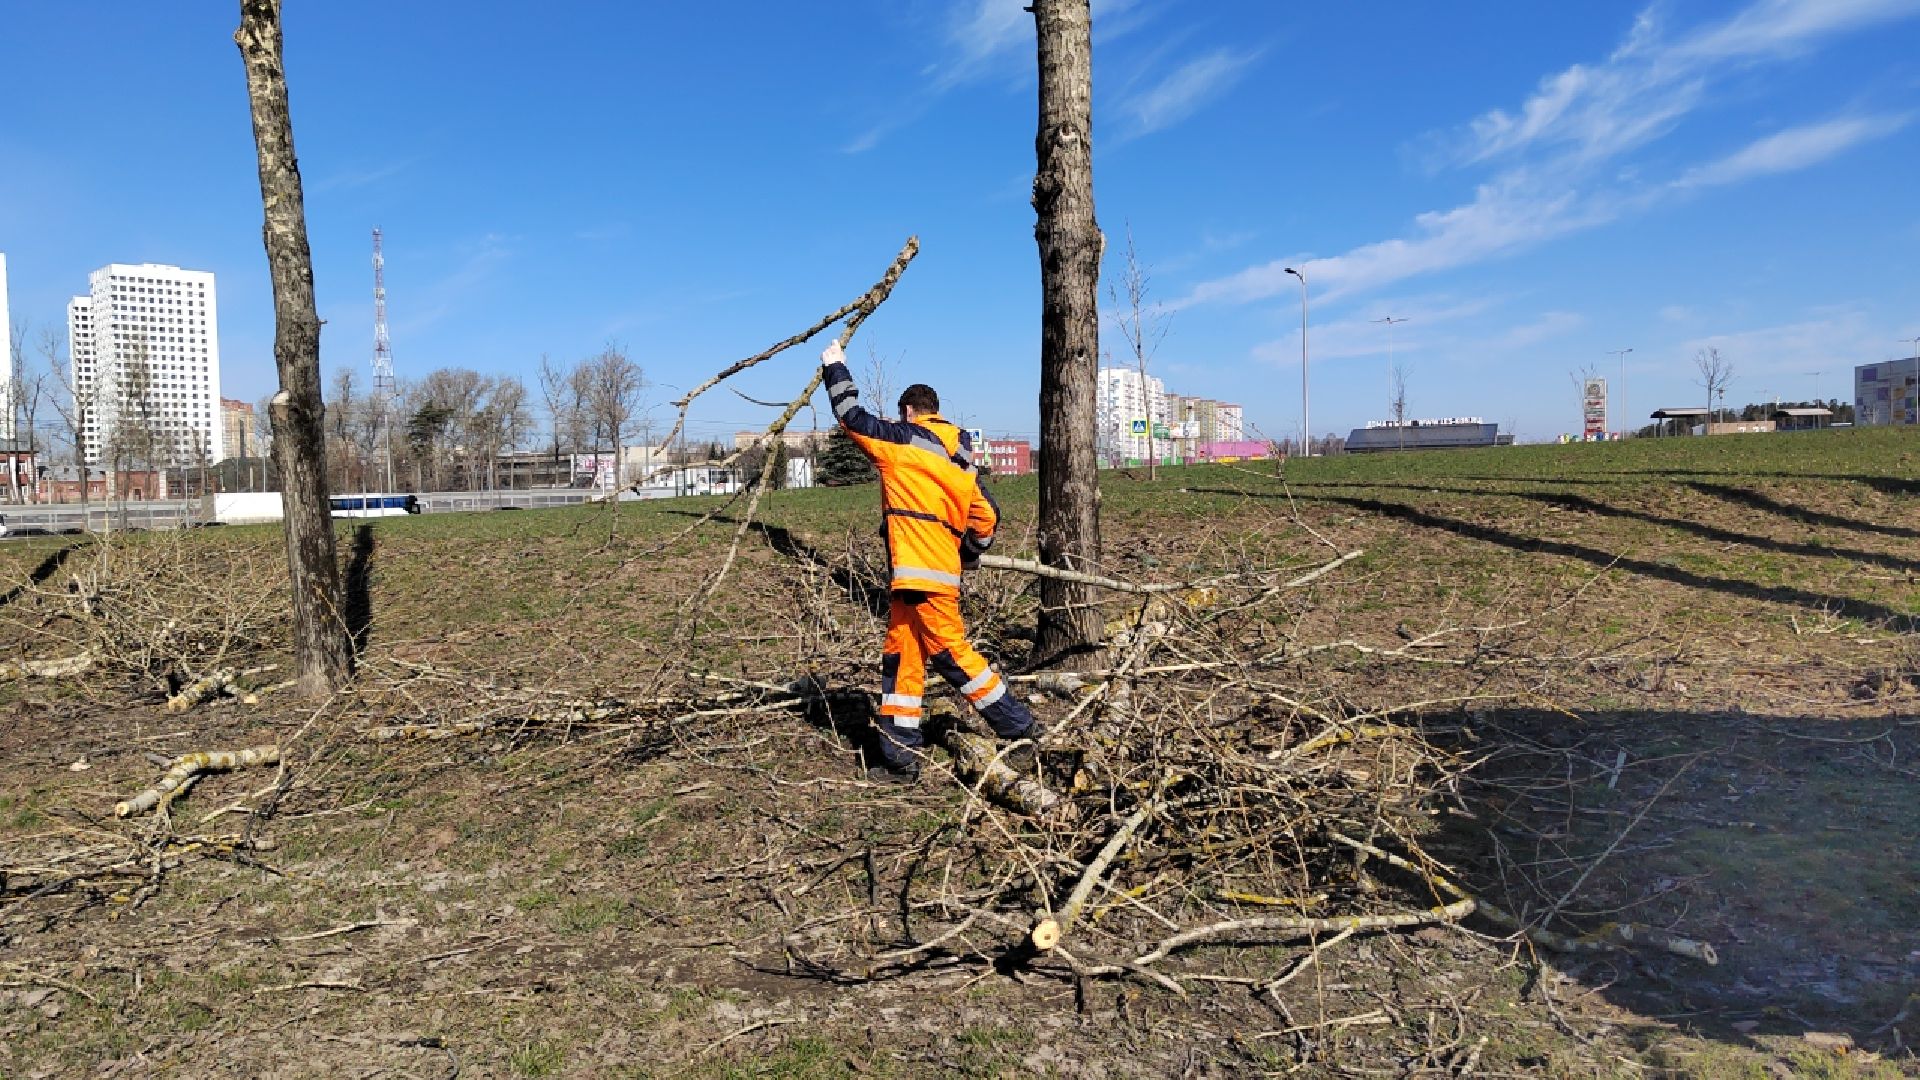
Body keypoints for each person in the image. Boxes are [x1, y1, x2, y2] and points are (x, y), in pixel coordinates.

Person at [820, 338, 1040, 782]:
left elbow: (851, 418)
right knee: (903, 657)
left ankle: (1020, 728)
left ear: (908, 412)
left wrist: (834, 366)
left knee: (949, 653)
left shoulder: (904, 441)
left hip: (916, 571)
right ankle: (900, 757)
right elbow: (987, 519)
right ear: (937, 412)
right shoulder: (961, 465)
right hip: (931, 575)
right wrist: (968, 555)